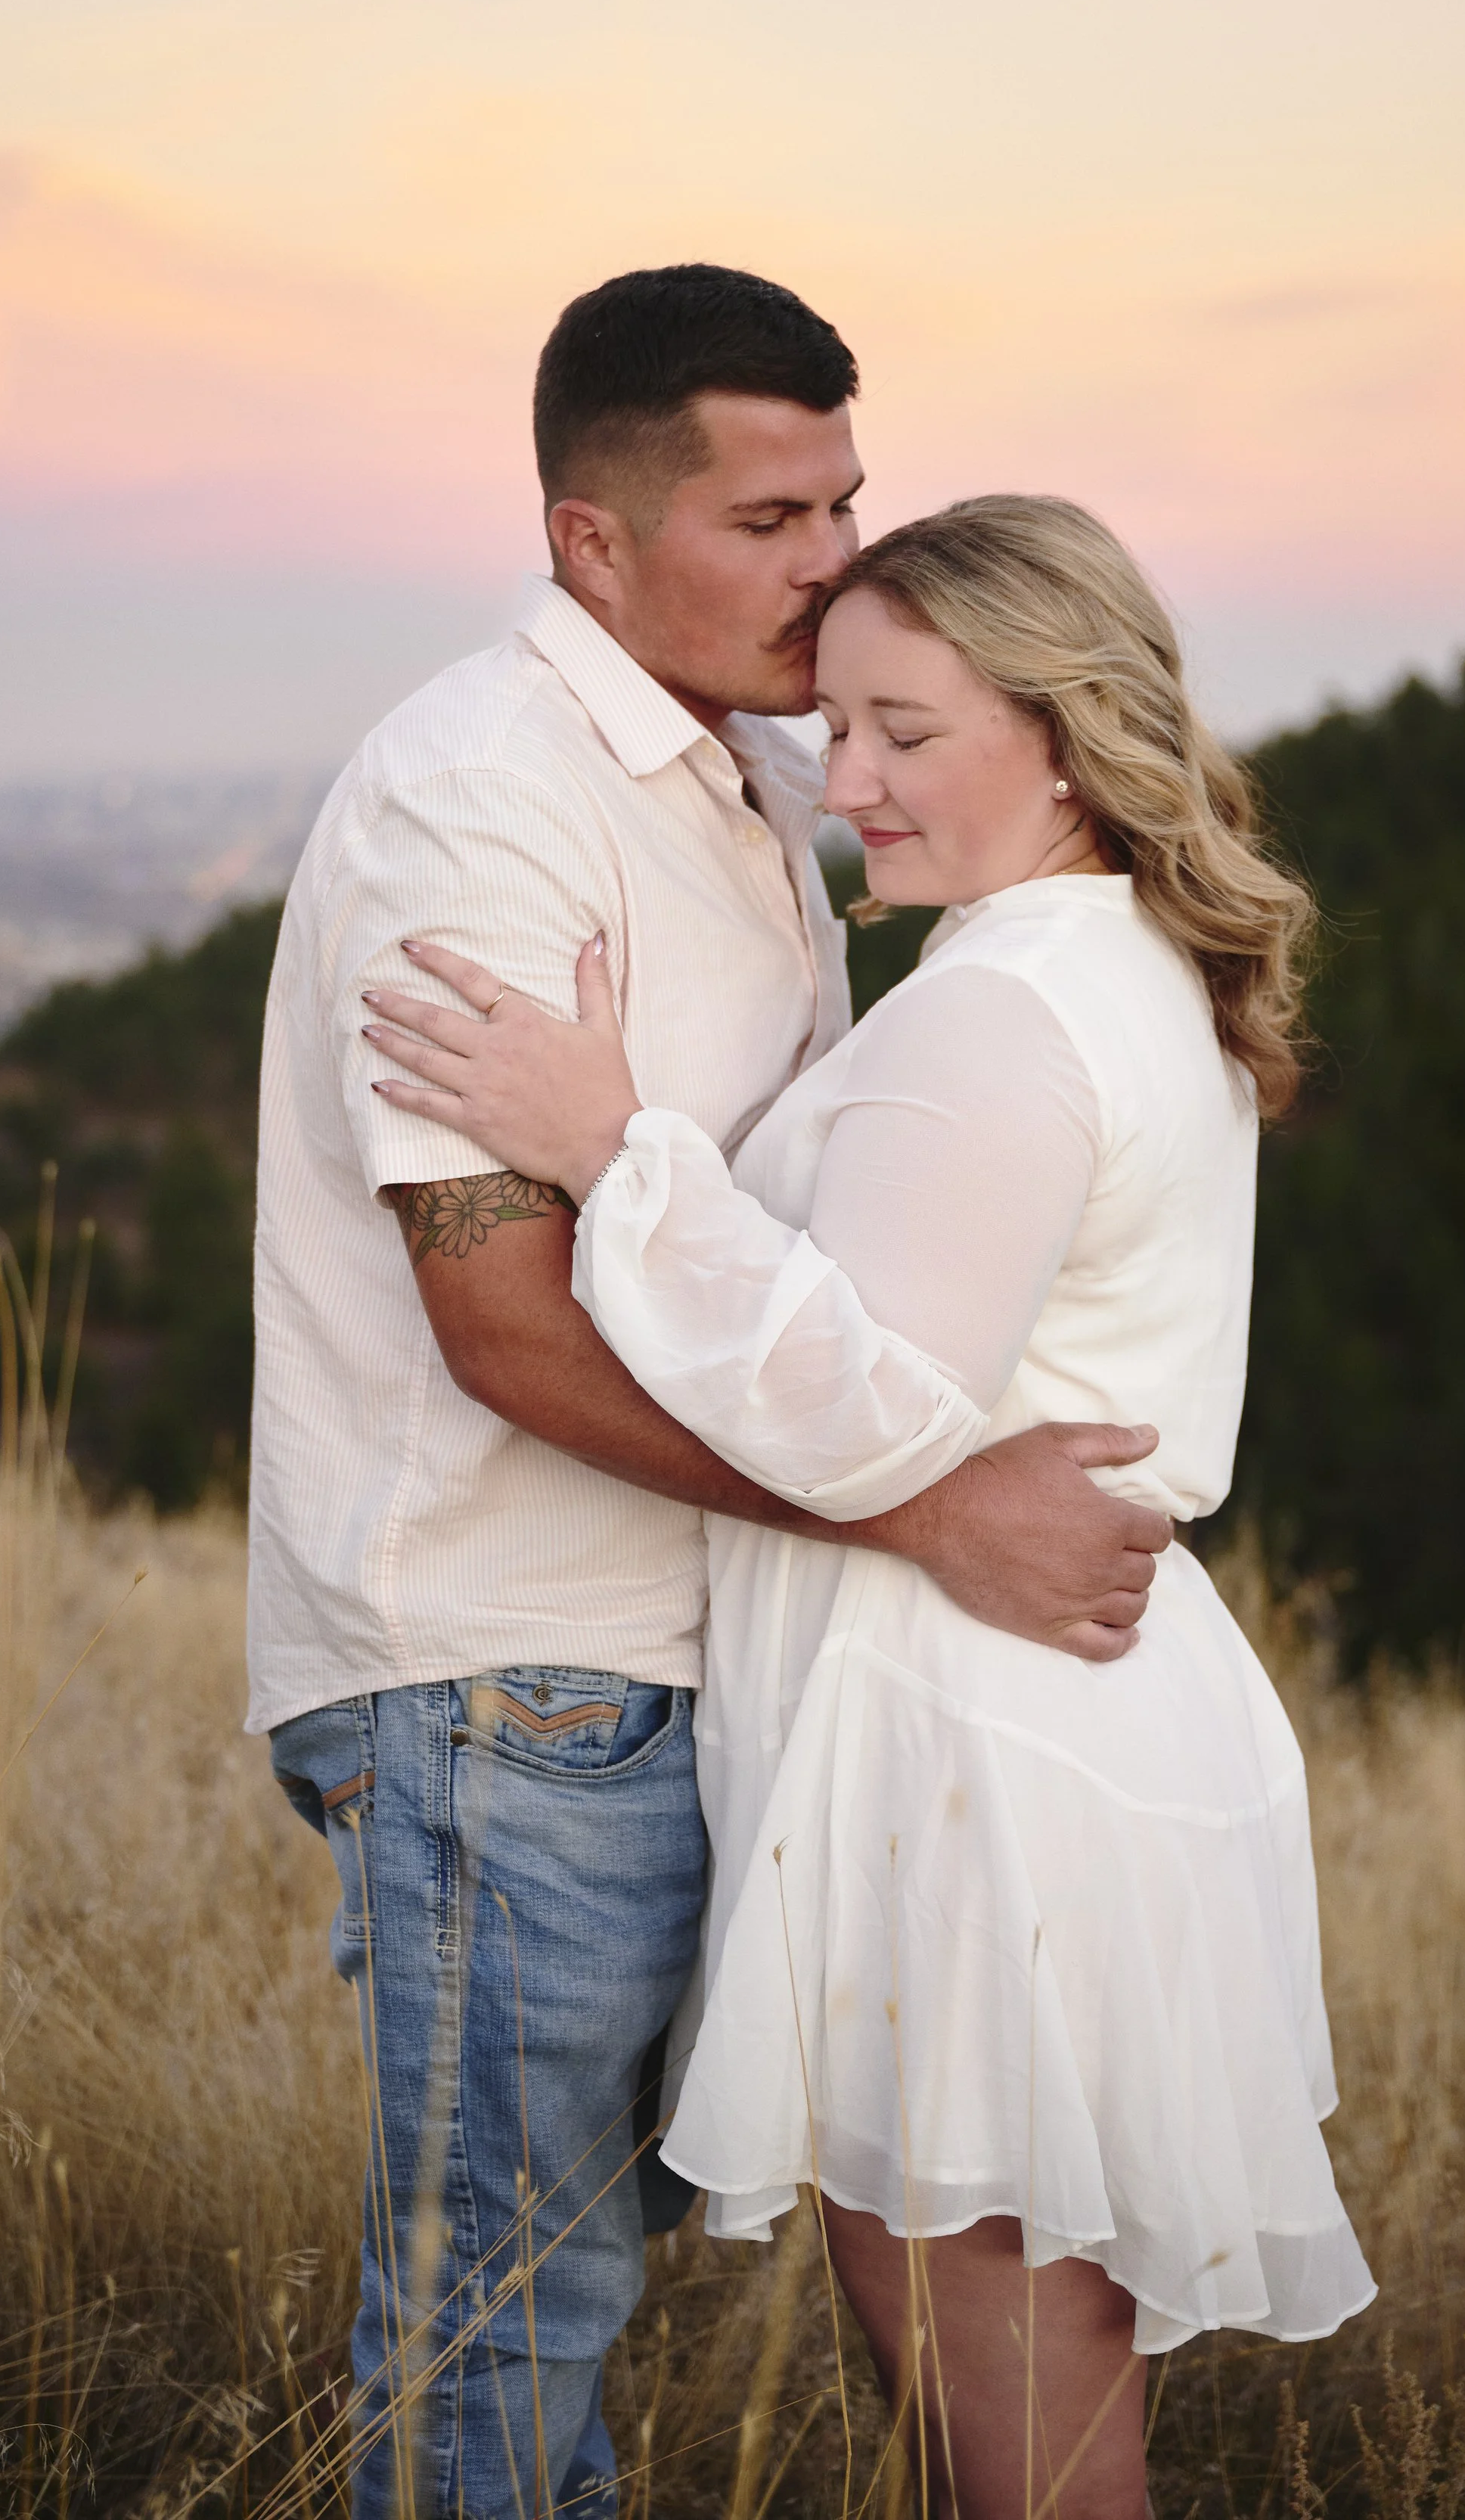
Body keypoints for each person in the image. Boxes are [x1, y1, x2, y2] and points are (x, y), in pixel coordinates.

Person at [248, 273, 1174, 2520]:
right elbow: (508, 1321)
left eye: (845, 498)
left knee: (701, 2270)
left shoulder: (774, 764)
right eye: (769, 514)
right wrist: (931, 1508)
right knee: (508, 2310)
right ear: (590, 539)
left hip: (706, 1643)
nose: (833, 559)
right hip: (509, 1669)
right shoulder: (476, 804)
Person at [364, 493, 1378, 2520]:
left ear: (1069, 728)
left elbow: (859, 1407)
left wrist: (613, 1143)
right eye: (834, 727)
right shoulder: (1096, 967)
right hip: (1034, 1717)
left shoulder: (1000, 1009)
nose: (846, 786)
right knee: (1009, 2382)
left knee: (1007, 2410)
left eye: (905, 730)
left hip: (979, 1743)